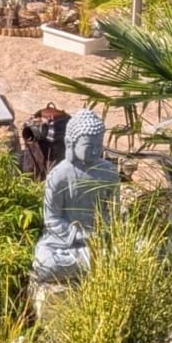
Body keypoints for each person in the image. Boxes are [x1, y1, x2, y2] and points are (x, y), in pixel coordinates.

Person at [30, 108, 118, 313]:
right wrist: (78, 235)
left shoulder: (108, 173)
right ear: (70, 143)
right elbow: (51, 219)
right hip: (63, 242)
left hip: (98, 240)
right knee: (44, 263)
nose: (96, 150)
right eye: (89, 146)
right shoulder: (59, 175)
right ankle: (92, 261)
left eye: (99, 144)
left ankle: (93, 259)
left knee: (133, 251)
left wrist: (102, 231)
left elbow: (112, 212)